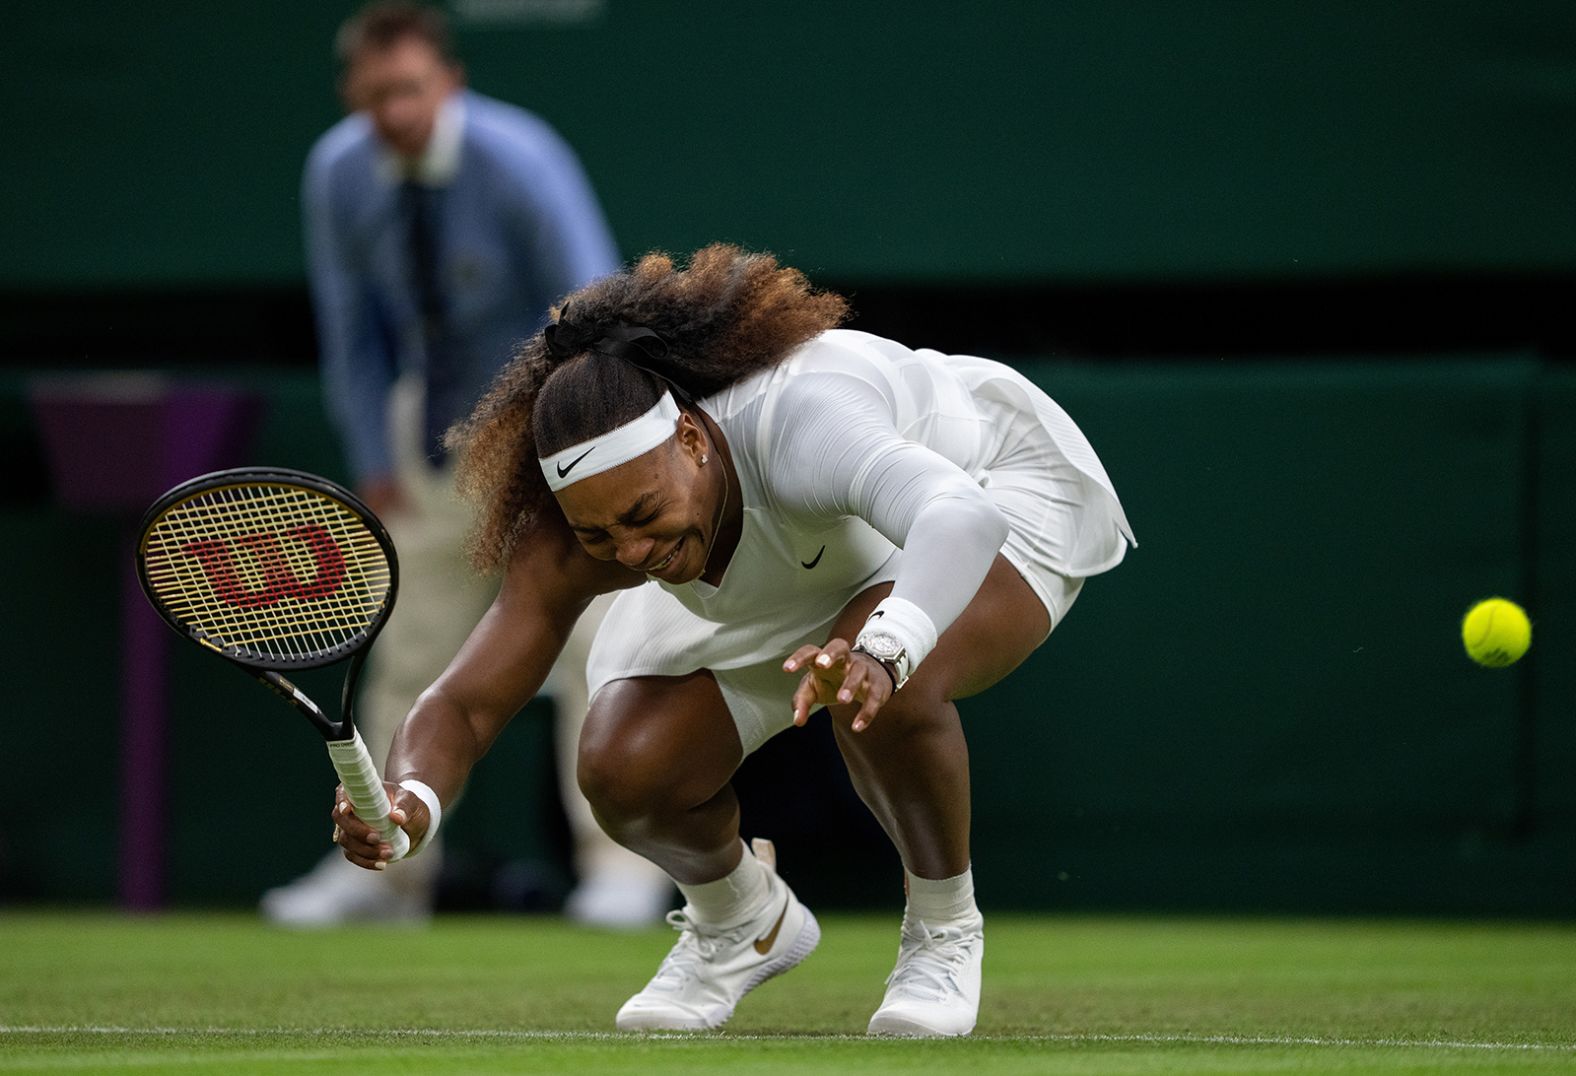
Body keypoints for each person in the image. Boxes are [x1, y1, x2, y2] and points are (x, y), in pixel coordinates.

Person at [329, 245, 1137, 1035]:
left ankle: (943, 932)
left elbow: (956, 515)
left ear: (690, 439)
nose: (632, 552)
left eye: (642, 517)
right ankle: (741, 922)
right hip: (783, 567)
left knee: (893, 681)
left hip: (991, 489)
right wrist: (411, 801)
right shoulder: (582, 530)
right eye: (602, 535)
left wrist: (883, 647)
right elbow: (466, 703)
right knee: (622, 766)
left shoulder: (803, 421)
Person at [263, 0, 673, 928]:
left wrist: (575, 449)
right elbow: (351, 333)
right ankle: (387, 870)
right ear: (351, 97)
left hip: (549, 429)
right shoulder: (336, 173)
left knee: (593, 650)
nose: (394, 112)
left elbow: (592, 303)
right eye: (374, 96)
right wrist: (374, 452)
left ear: (447, 83)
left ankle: (622, 870)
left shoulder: (519, 157)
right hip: (433, 438)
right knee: (408, 652)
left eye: (409, 90)